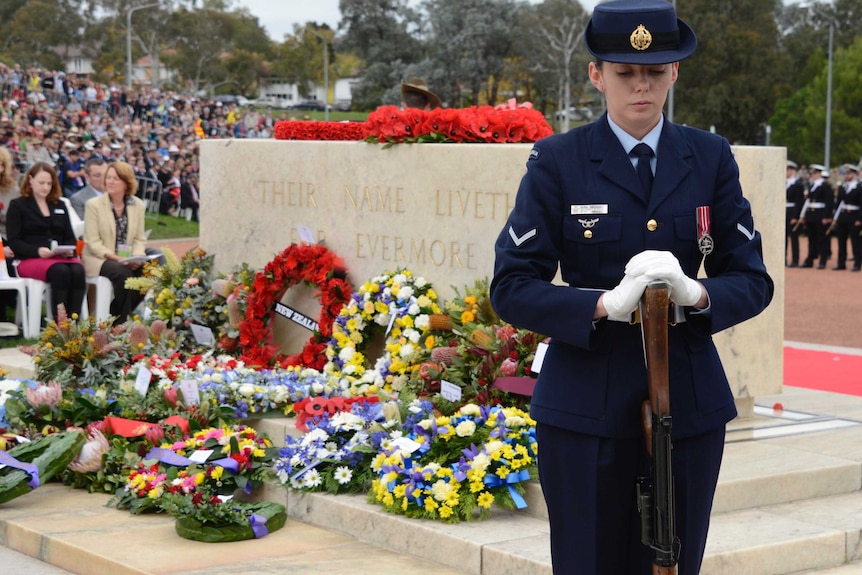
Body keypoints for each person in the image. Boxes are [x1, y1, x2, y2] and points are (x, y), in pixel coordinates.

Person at [489, 1, 774, 574]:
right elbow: (512, 285)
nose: (641, 86)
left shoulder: (710, 157)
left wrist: (696, 295)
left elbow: (752, 278)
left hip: (687, 402)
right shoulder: (558, 161)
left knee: (674, 563)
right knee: (587, 561)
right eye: (624, 72)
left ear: (675, 72)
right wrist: (599, 305)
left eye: (655, 71)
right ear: (596, 75)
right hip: (585, 405)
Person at [6, 162, 86, 321]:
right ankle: (60, 324)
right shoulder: (18, 205)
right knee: (61, 271)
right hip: (29, 258)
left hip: (59, 257)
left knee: (78, 271)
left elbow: (69, 236)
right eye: (41, 182)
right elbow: (14, 241)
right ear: (30, 180)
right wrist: (37, 251)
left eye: (49, 183)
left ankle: (74, 322)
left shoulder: (60, 205)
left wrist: (70, 249)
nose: (45, 187)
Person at [81, 161, 147, 324]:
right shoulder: (94, 205)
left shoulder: (137, 204)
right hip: (100, 258)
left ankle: (114, 313)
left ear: (126, 182)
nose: (110, 181)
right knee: (123, 273)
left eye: (115, 178)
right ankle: (121, 323)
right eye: (108, 177)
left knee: (153, 269)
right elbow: (93, 242)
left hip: (128, 256)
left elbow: (139, 238)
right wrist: (118, 259)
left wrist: (137, 256)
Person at [800, 164, 833, 269]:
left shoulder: (825, 186)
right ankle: (810, 258)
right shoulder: (812, 185)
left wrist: (827, 217)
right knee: (811, 238)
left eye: (814, 173)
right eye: (812, 173)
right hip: (811, 214)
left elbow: (829, 202)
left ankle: (823, 260)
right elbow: (808, 201)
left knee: (821, 238)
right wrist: (804, 215)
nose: (813, 175)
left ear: (819, 174)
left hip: (820, 214)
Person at [832, 163, 861, 271]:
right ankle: (841, 263)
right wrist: (835, 217)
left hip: (854, 215)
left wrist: (859, 219)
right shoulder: (843, 187)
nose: (846, 176)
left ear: (854, 174)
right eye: (846, 174)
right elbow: (839, 203)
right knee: (841, 241)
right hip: (843, 216)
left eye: (849, 174)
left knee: (855, 241)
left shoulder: (859, 187)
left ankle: (857, 263)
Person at [69, 155, 107, 220]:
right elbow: (84, 224)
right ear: (87, 177)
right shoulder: (78, 199)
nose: (103, 178)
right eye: (97, 175)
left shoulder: (118, 193)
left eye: (105, 174)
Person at [786, 160, 805, 267]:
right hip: (785, 211)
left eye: (787, 170)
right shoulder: (783, 183)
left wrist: (796, 216)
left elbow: (799, 202)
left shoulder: (797, 184)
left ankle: (795, 259)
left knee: (794, 237)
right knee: (783, 238)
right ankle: (783, 258)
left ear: (791, 171)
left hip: (792, 211)